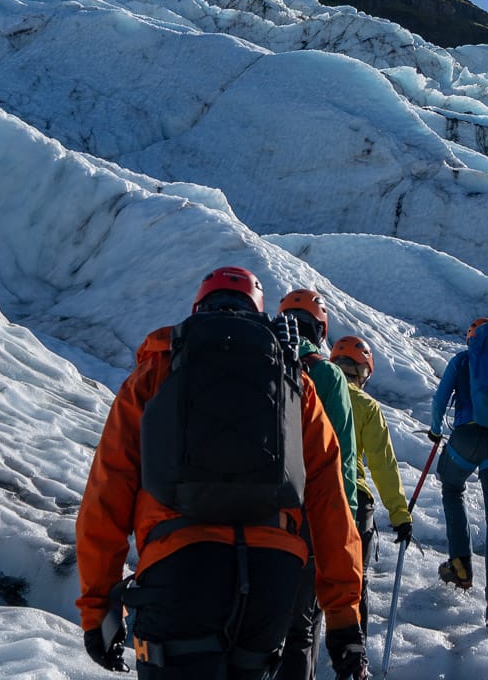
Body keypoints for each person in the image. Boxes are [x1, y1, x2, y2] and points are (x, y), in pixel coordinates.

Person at [75, 267, 368, 680]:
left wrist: (98, 607)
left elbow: (109, 488)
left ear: (198, 309)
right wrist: (343, 618)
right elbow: (330, 500)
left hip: (178, 568)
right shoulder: (294, 382)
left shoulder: (157, 371)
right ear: (258, 312)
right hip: (272, 577)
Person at [277, 289, 360, 680]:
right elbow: (340, 461)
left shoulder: (258, 361)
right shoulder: (326, 374)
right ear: (321, 329)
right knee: (300, 630)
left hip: (243, 514)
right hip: (307, 524)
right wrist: (348, 532)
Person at [427, 317, 488, 633]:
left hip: (465, 439)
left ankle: (460, 566)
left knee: (452, 488)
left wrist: (434, 430)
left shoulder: (463, 360)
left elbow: (440, 399)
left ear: (473, 338)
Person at [329, 335, 414, 634]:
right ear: (364, 372)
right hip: (356, 499)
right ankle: (354, 657)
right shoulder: (367, 406)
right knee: (354, 582)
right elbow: (384, 465)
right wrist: (400, 515)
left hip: (310, 495)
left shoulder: (311, 393)